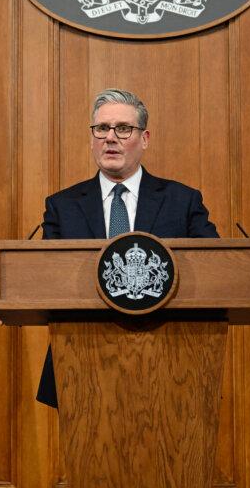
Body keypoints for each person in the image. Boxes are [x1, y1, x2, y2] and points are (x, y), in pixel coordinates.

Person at [36, 88, 218, 407]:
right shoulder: (61, 207)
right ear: (92, 138)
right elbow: (47, 279)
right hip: (81, 363)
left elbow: (218, 268)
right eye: (102, 129)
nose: (110, 138)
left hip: (171, 362)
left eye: (123, 129)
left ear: (144, 138)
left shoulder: (182, 201)